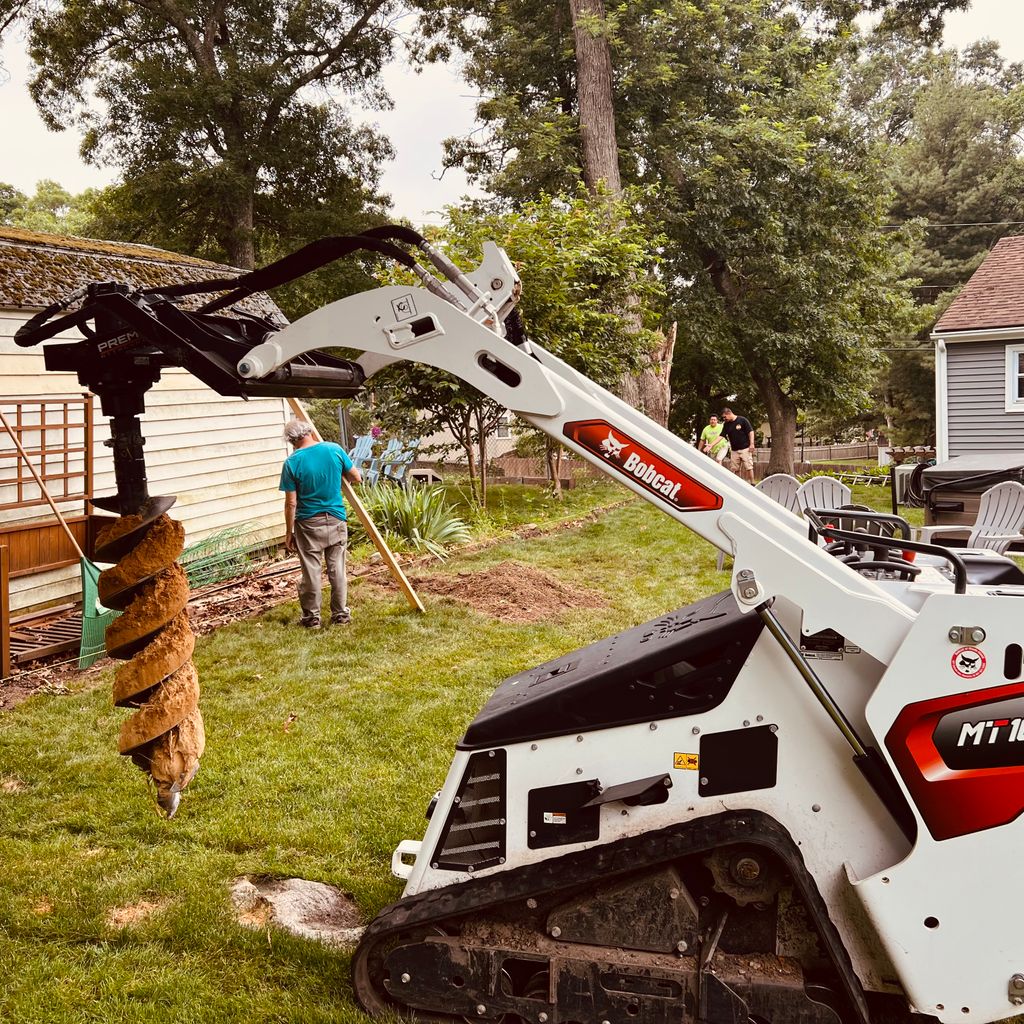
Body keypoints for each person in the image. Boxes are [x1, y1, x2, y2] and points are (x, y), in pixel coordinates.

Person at [280, 418, 362, 628]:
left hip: (308, 524)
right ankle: (341, 614)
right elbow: (356, 477)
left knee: (311, 571)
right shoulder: (334, 449)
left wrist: (289, 532)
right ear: (309, 432)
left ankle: (312, 618)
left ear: (291, 441)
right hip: (336, 519)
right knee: (337, 569)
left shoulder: (292, 462)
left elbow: (291, 502)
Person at [721, 407, 756, 483]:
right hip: (734, 450)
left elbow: (751, 432)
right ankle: (738, 484)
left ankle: (753, 483)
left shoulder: (742, 420)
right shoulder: (726, 424)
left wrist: (752, 444)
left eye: (724, 417)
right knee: (735, 469)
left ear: (729, 413)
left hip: (745, 448)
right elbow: (721, 436)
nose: (724, 419)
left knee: (749, 467)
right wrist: (711, 445)